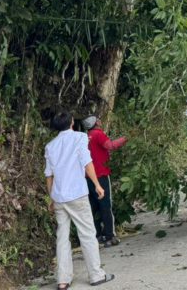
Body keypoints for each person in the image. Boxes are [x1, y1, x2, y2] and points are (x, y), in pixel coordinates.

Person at [44, 112, 115, 289]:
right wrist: (97, 185)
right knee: (87, 234)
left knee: (62, 237)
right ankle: (96, 275)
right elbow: (87, 163)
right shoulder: (80, 138)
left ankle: (63, 280)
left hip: (59, 198)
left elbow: (49, 175)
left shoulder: (50, 146)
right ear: (71, 123)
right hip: (77, 195)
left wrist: (51, 198)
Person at [82, 114, 128, 246]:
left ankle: (97, 235)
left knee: (94, 207)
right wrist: (126, 138)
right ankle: (109, 236)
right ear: (96, 122)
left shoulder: (85, 137)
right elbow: (110, 145)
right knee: (106, 206)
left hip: (88, 177)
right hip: (101, 175)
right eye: (99, 120)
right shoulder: (98, 134)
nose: (100, 121)